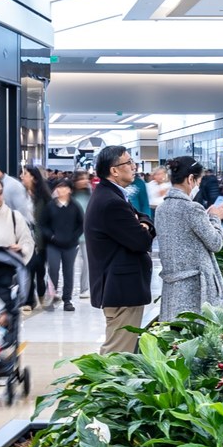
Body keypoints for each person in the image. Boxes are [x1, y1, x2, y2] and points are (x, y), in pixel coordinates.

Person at [86, 145, 156, 352]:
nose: (134, 167)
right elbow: (142, 241)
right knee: (117, 353)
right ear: (114, 170)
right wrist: (143, 226)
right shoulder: (111, 202)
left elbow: (144, 218)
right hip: (121, 289)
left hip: (121, 287)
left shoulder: (113, 195)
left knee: (123, 348)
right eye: (128, 163)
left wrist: (142, 223)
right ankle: (102, 385)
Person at [155, 155, 223, 319]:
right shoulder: (192, 208)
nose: (198, 186)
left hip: (172, 287)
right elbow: (215, 243)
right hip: (194, 288)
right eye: (198, 181)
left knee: (175, 337)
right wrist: (215, 217)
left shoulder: (161, 208)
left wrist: (207, 217)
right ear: (190, 179)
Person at [43, 178, 86, 310]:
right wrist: (51, 236)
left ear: (69, 190)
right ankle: (52, 297)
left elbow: (82, 224)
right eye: (59, 187)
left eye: (64, 187)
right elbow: (43, 224)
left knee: (68, 272)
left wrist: (74, 236)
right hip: (53, 245)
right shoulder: (50, 206)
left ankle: (67, 300)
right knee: (53, 270)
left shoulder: (75, 206)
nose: (61, 190)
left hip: (70, 245)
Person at [21, 164, 52, 310]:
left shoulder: (44, 197)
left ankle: (41, 292)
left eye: (25, 174)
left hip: (41, 241)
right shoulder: (20, 196)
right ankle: (28, 300)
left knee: (40, 270)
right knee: (28, 269)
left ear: (33, 177)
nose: (22, 176)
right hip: (24, 237)